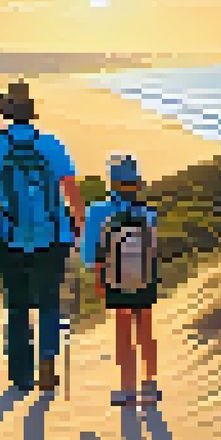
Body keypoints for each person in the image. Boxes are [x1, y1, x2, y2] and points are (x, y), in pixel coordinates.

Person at [0, 79, 87, 393]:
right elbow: (72, 193)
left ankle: (21, 375)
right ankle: (47, 365)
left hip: (10, 239)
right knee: (49, 303)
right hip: (53, 238)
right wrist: (82, 231)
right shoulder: (52, 144)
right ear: (31, 113)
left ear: (6, 114)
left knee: (17, 305)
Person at [83, 153, 162, 407]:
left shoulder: (98, 212)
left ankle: (127, 390)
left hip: (114, 278)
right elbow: (154, 250)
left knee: (123, 331)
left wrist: (99, 278)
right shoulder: (149, 213)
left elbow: (90, 254)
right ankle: (150, 387)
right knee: (146, 329)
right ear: (137, 183)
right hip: (144, 276)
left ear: (112, 183)